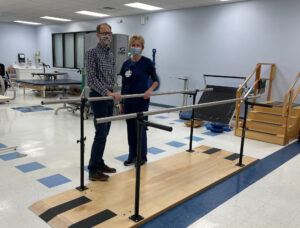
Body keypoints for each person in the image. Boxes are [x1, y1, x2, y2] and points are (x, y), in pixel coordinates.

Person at [86, 23, 121, 181]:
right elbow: (92, 79)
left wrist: (115, 92)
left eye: (109, 33)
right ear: (98, 35)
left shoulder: (111, 55)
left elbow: (112, 78)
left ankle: (99, 163)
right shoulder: (91, 53)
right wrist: (107, 92)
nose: (107, 35)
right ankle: (93, 169)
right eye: (104, 33)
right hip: (99, 97)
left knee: (105, 133)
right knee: (100, 133)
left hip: (109, 98)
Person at [119, 34, 159, 166]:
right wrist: (120, 102)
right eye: (133, 45)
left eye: (138, 45)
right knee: (130, 129)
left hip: (141, 102)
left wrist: (149, 90)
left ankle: (142, 156)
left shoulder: (147, 63)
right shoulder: (126, 64)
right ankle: (132, 155)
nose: (135, 47)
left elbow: (156, 81)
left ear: (142, 47)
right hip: (128, 102)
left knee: (140, 129)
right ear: (130, 46)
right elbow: (123, 85)